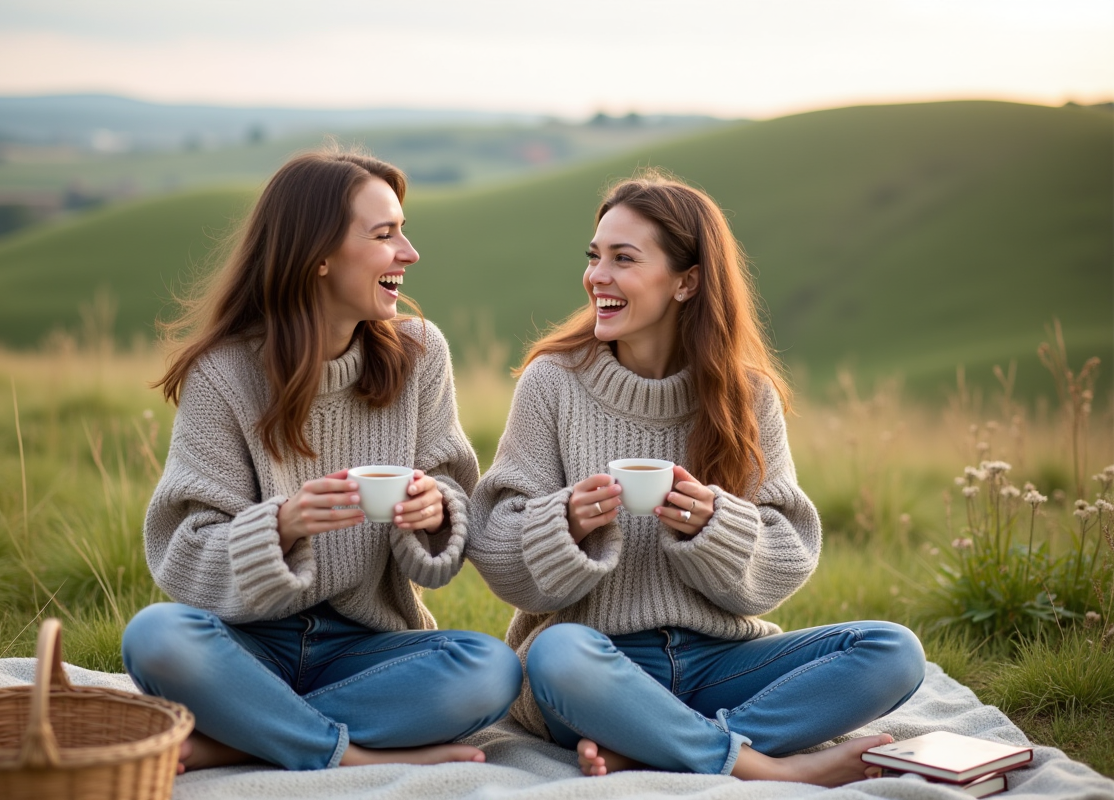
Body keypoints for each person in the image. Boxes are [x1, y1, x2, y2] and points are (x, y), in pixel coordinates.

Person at [468, 170, 925, 786]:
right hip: (600, 664)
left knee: (893, 652)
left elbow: (786, 555)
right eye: (595, 256)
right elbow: (496, 546)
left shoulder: (746, 396)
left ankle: (658, 743)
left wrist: (716, 525)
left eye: (623, 259)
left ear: (685, 281)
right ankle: (765, 766)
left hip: (721, 662)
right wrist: (566, 523)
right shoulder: (551, 383)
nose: (596, 276)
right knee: (555, 655)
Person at [121, 149, 522, 773]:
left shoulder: (420, 355)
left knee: (491, 670)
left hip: (369, 646)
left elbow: (453, 497)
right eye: (384, 235)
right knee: (155, 638)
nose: (409, 253)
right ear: (319, 257)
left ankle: (242, 733)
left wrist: (434, 508)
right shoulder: (223, 375)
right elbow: (184, 551)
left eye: (403, 230)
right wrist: (283, 525)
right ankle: (348, 752)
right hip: (248, 642)